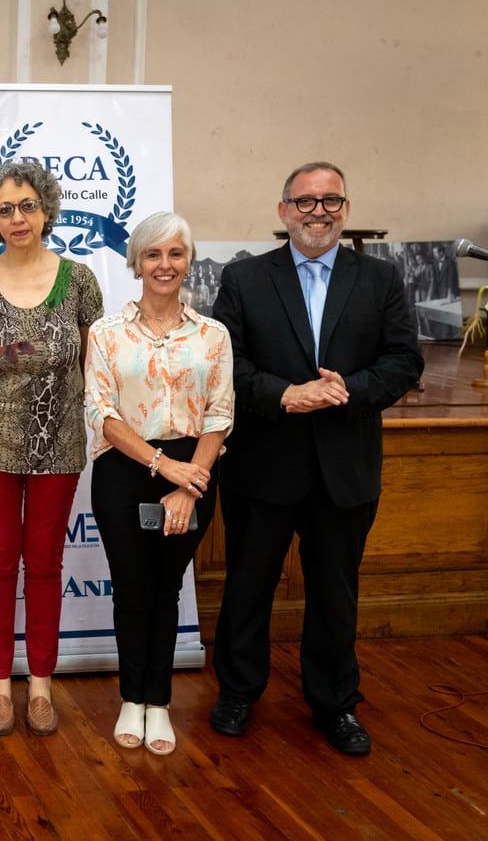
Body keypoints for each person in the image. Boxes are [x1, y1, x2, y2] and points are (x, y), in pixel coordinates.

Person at [209, 162, 423, 756]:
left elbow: (404, 361)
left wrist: (345, 390)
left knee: (336, 591)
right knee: (248, 585)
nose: (318, 211)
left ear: (345, 210)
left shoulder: (379, 279)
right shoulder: (245, 278)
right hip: (263, 463)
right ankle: (237, 692)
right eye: (305, 202)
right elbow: (226, 362)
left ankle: (334, 704)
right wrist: (285, 394)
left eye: (331, 201)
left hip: (345, 466)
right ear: (283, 212)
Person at [0, 160, 103, 737]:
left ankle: (40, 685)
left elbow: (95, 365)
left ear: (46, 210)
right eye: (5, 209)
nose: (18, 218)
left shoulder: (80, 280)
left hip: (60, 444)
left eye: (27, 206)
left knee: (45, 565)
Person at [84, 212, 233, 755]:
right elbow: (100, 412)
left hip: (194, 472)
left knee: (166, 588)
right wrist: (161, 467)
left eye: (175, 254)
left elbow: (220, 416)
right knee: (131, 589)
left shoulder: (213, 335)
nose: (164, 265)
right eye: (153, 254)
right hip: (125, 472)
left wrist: (187, 481)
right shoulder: (105, 333)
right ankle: (131, 699)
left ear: (188, 261)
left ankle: (159, 703)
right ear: (137, 262)